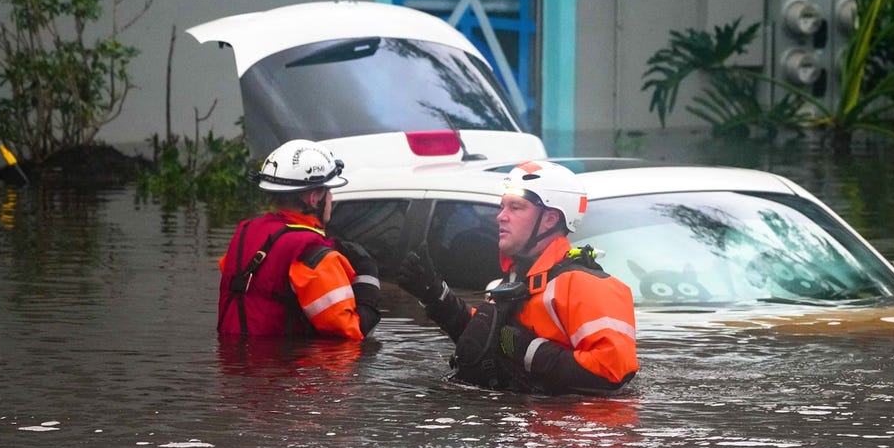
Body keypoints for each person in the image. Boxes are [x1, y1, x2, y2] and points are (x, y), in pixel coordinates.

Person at [397, 160, 638, 394]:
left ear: (550, 219)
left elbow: (611, 373)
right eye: (503, 206)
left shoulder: (586, 285)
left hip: (569, 432)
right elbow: (487, 340)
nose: (501, 216)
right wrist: (437, 298)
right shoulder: (518, 279)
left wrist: (525, 349)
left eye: (516, 207)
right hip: (520, 423)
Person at [218, 139, 380, 339]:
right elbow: (348, 334)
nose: (331, 198)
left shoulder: (245, 235)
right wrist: (368, 277)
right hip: (282, 368)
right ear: (314, 198)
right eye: (328, 191)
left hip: (235, 364)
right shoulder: (315, 257)